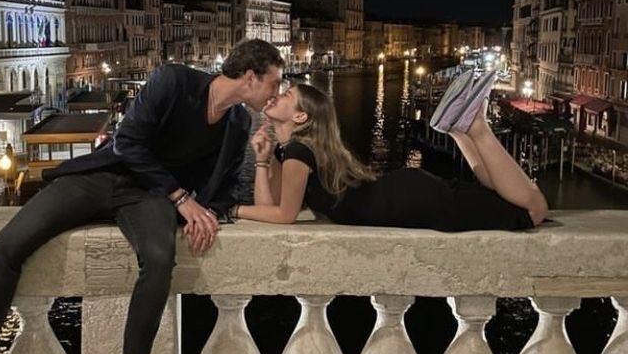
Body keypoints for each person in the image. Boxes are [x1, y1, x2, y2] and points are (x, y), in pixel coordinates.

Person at [0, 39, 285, 354]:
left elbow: (224, 184)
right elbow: (127, 142)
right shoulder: (174, 81)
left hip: (149, 198)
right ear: (250, 77)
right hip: (103, 176)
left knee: (159, 260)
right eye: (274, 83)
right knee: (7, 245)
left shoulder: (238, 124)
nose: (276, 93)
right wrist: (182, 198)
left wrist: (209, 212)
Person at [231, 69, 548, 232]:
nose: (277, 96)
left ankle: (475, 128)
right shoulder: (292, 151)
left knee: (533, 210)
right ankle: (460, 132)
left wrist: (232, 210)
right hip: (409, 196)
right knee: (502, 198)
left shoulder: (299, 151)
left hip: (413, 201)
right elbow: (270, 207)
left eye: (286, 95)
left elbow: (284, 216)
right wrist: (263, 160)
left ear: (301, 117)